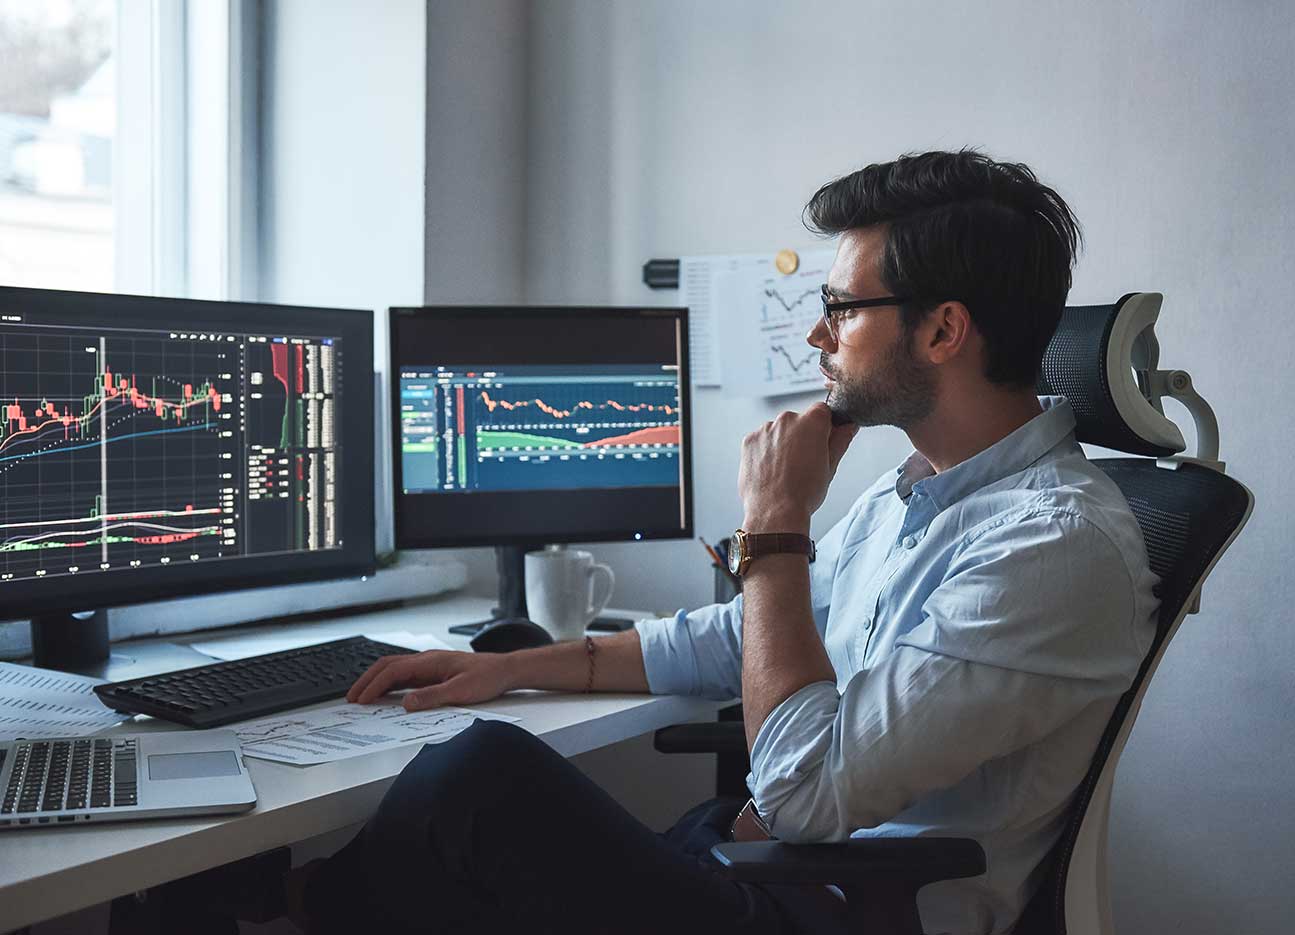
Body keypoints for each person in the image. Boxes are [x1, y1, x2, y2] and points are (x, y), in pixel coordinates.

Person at [275, 149, 1159, 935]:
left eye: (841, 309)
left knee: (480, 781)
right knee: (465, 858)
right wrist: (515, 666)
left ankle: (280, 912)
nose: (818, 335)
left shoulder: (1052, 545)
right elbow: (742, 639)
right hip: (764, 868)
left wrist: (774, 530)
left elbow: (804, 793)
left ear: (942, 330)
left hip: (834, 905)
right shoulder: (918, 494)